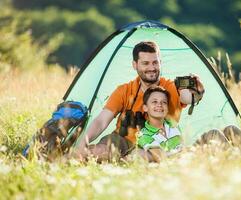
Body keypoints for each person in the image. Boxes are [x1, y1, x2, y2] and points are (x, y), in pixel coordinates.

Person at [76, 41, 204, 161]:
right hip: (123, 140)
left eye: (155, 62)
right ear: (135, 65)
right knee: (99, 152)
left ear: (160, 62)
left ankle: (132, 160)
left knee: (144, 156)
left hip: (159, 142)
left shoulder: (171, 87)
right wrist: (82, 144)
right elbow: (101, 121)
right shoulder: (124, 90)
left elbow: (188, 97)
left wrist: (198, 92)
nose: (151, 68)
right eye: (145, 63)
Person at [137, 86, 182, 162]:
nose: (159, 105)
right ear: (145, 108)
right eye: (154, 102)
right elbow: (160, 157)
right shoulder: (143, 135)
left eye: (164, 102)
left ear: (167, 108)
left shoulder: (174, 125)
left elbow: (182, 145)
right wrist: (183, 153)